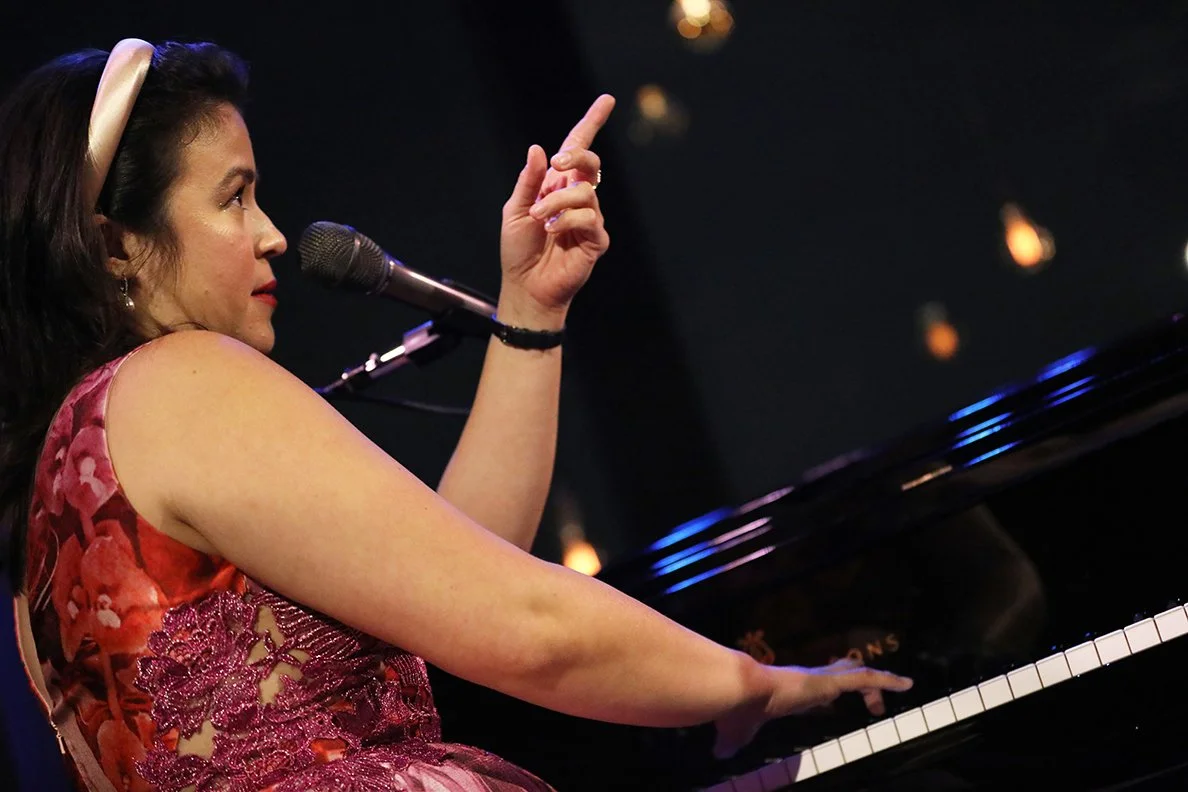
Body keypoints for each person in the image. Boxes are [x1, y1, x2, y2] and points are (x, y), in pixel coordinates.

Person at [0, 38, 912, 792]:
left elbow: (458, 576)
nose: (273, 233)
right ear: (117, 244)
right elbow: (526, 625)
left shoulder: (63, 489)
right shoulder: (181, 381)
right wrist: (752, 681)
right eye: (234, 197)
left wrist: (531, 310)